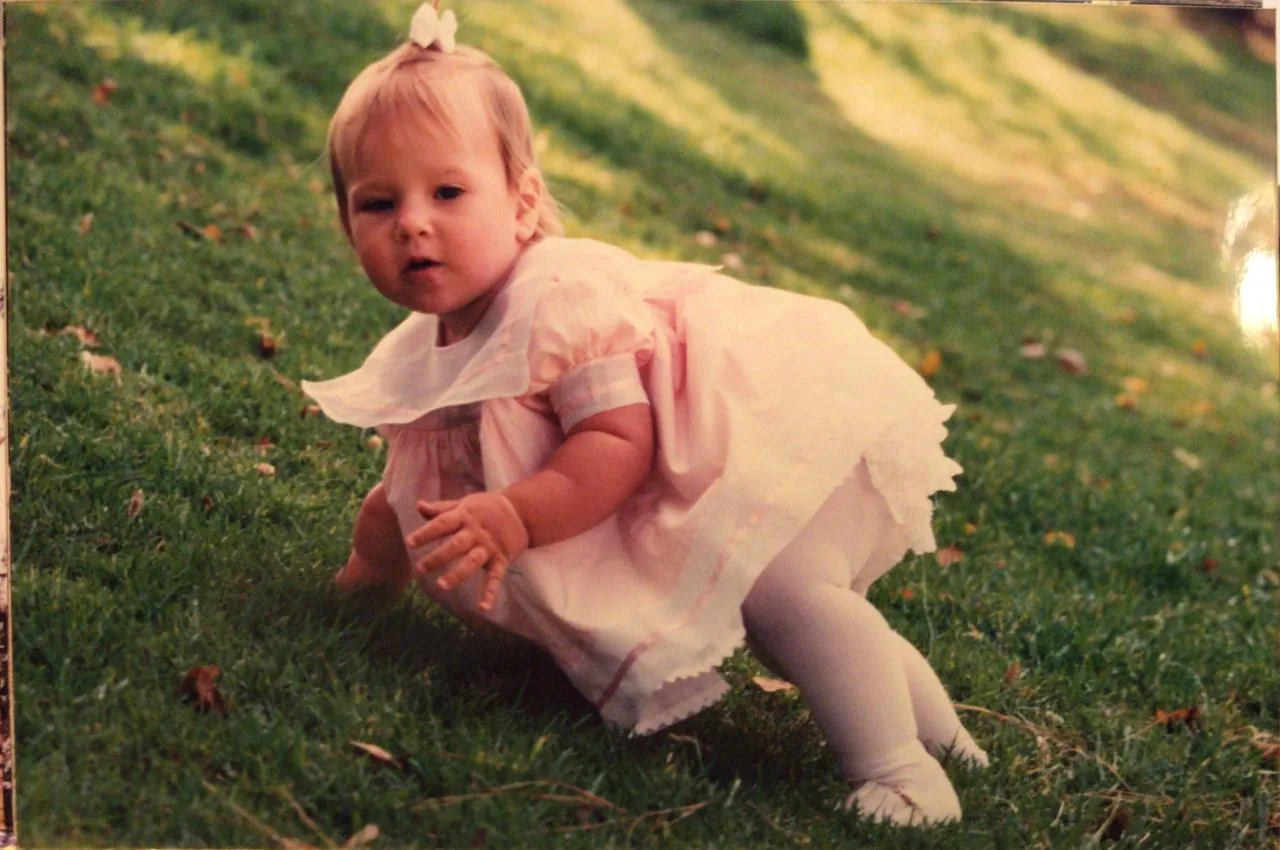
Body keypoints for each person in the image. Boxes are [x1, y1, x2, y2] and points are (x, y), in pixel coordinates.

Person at [301, 1, 988, 826]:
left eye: (448, 192)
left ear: (522, 204)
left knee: (783, 595)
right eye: (378, 204)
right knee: (798, 606)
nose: (413, 222)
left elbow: (616, 442)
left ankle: (904, 772)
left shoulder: (560, 305)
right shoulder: (428, 346)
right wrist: (367, 578)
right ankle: (948, 737)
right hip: (698, 468)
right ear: (345, 223)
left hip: (745, 438)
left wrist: (517, 514)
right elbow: (409, 489)